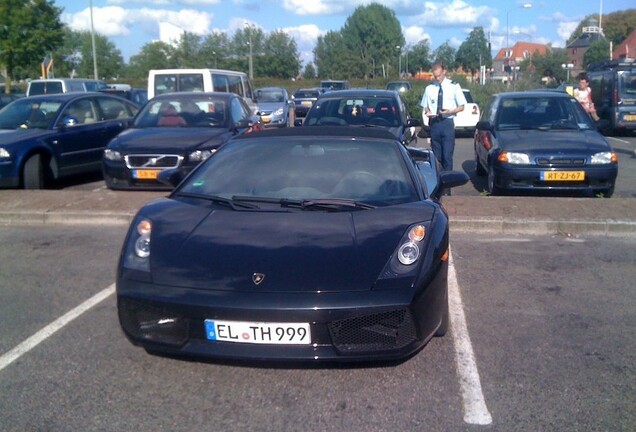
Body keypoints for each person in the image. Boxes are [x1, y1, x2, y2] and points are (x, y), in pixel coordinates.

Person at [420, 63, 466, 172]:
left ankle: (447, 186)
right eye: (435, 76)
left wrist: (451, 111)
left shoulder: (454, 86)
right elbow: (425, 106)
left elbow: (462, 106)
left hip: (447, 123)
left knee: (447, 156)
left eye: (439, 75)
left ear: (444, 72)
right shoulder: (429, 88)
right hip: (435, 123)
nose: (437, 78)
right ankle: (438, 182)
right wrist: (427, 111)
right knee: (436, 158)